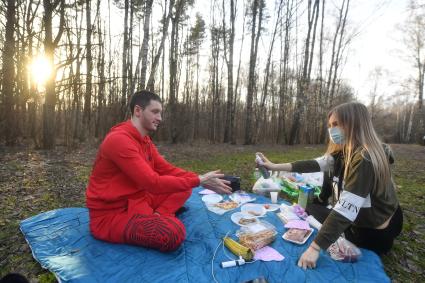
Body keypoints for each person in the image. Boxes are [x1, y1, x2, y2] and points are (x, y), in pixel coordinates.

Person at [257, 102, 403, 269]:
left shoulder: (365, 158)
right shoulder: (344, 153)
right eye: (330, 125)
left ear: (353, 123)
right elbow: (311, 164)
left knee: (328, 222)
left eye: (336, 124)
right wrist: (274, 166)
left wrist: (315, 248)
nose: (331, 130)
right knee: (311, 207)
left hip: (374, 233)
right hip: (368, 219)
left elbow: (345, 208)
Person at [86, 90, 232, 252]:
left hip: (138, 200)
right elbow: (152, 182)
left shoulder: (145, 140)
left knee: (183, 187)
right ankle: (161, 220)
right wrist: (199, 180)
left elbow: (166, 169)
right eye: (155, 112)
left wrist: (201, 180)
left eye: (160, 113)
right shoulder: (119, 140)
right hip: (111, 215)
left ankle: (159, 216)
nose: (160, 118)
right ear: (138, 111)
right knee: (172, 233)